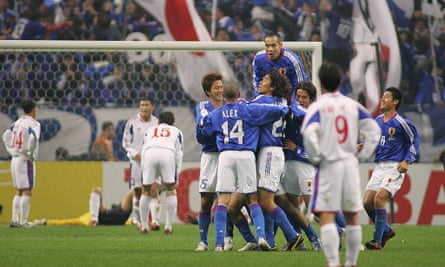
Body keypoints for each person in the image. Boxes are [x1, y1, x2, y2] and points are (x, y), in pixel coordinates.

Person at [301, 62, 381, 267]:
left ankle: (334, 263)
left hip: (329, 164)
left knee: (327, 215)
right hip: (350, 164)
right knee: (352, 215)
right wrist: (362, 156)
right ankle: (352, 262)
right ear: (340, 81)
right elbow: (373, 130)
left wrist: (316, 157)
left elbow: (309, 135)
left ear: (320, 82)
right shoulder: (352, 105)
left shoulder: (318, 107)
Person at [200, 81, 289, 251]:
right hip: (246, 154)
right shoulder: (249, 110)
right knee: (252, 199)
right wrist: (285, 108)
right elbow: (277, 111)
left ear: (223, 96)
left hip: (225, 155)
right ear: (239, 95)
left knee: (223, 200)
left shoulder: (216, 114)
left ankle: (219, 244)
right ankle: (261, 236)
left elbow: (204, 133)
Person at [251, 68, 305, 250]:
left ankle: (292, 236)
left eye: (265, 80)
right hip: (274, 153)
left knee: (266, 201)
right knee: (263, 199)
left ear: (272, 87)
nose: (260, 82)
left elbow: (248, 110)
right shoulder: (282, 102)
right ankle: (269, 241)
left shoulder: (261, 101)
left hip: (269, 153)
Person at [363, 87, 420, 250]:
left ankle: (377, 241)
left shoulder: (402, 123)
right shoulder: (378, 121)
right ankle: (386, 231)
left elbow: (414, 141)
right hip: (379, 166)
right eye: (382, 97)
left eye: (386, 97)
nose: (382, 99)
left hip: (395, 167)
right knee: (367, 203)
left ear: (395, 101)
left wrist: (407, 161)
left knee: (379, 199)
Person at [276, 80, 322, 251]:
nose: (301, 100)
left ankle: (337, 232)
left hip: (305, 166)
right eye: (298, 96)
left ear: (312, 100)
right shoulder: (291, 113)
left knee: (314, 207)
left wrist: (298, 149)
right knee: (291, 206)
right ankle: (298, 241)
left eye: (304, 97)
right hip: (288, 164)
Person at [139, 111, 184, 235]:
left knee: (146, 190)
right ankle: (168, 226)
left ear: (158, 122)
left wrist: (144, 168)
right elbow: (179, 154)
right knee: (171, 189)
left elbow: (143, 149)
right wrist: (177, 175)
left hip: (149, 154)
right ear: (173, 123)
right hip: (167, 154)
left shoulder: (150, 129)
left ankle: (143, 225)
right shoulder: (176, 131)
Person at [195, 72, 225, 251]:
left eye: (221, 87)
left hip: (226, 155)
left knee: (226, 199)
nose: (220, 90)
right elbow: (204, 122)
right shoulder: (202, 106)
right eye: (216, 88)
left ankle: (223, 240)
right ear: (208, 91)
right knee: (206, 200)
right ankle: (203, 241)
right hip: (210, 156)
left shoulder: (229, 104)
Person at [122, 97, 161, 229]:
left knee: (154, 189)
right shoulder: (131, 122)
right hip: (137, 162)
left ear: (152, 107)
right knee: (138, 191)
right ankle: (139, 221)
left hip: (152, 160)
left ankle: (155, 221)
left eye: (146, 105)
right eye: (142, 105)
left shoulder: (157, 122)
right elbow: (126, 142)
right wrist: (135, 154)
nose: (144, 108)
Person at [2, 98, 41, 228]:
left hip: (15, 159)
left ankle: (14, 219)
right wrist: (29, 152)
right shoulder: (34, 124)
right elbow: (33, 138)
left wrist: (11, 150)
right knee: (27, 190)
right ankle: (23, 221)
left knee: (19, 190)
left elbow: (5, 135)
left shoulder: (17, 123)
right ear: (33, 110)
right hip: (25, 159)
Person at [33, 187, 133, 226]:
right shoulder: (85, 220)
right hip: (115, 216)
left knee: (96, 190)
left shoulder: (84, 218)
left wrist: (46, 222)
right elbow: (68, 222)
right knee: (133, 191)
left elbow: (68, 221)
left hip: (111, 215)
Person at [252, 32, 308, 100]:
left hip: (289, 99)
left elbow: (300, 84)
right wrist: (260, 99)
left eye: (273, 45)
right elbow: (257, 82)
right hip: (268, 99)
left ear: (280, 45)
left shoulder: (292, 60)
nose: (270, 49)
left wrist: (291, 104)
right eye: (267, 46)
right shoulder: (258, 59)